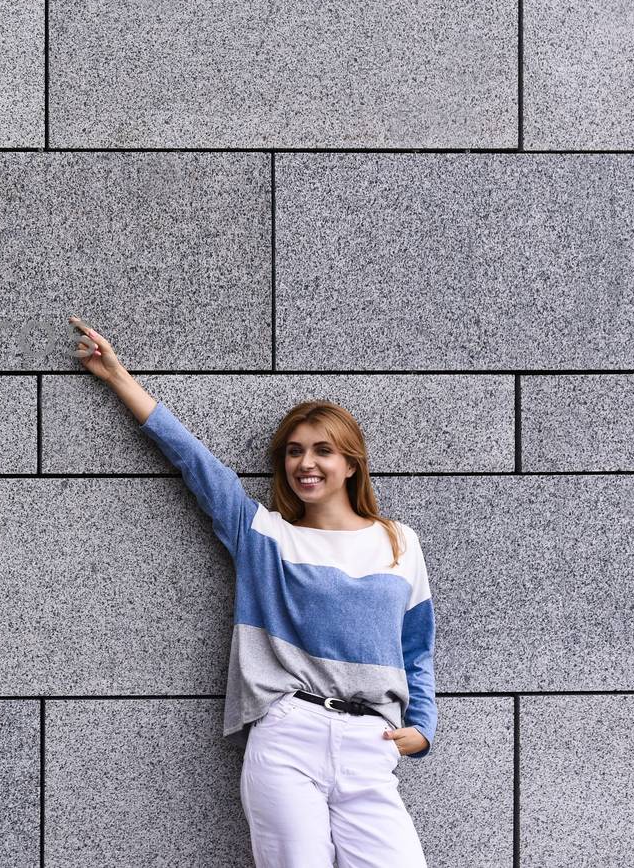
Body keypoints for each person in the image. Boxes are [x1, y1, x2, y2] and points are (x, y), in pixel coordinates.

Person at [69, 317, 434, 868]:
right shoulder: (265, 536)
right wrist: (117, 376)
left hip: (372, 744)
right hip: (290, 735)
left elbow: (417, 650)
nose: (305, 464)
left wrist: (423, 730)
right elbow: (195, 462)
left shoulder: (398, 542)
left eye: (321, 451)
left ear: (350, 463)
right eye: (292, 452)